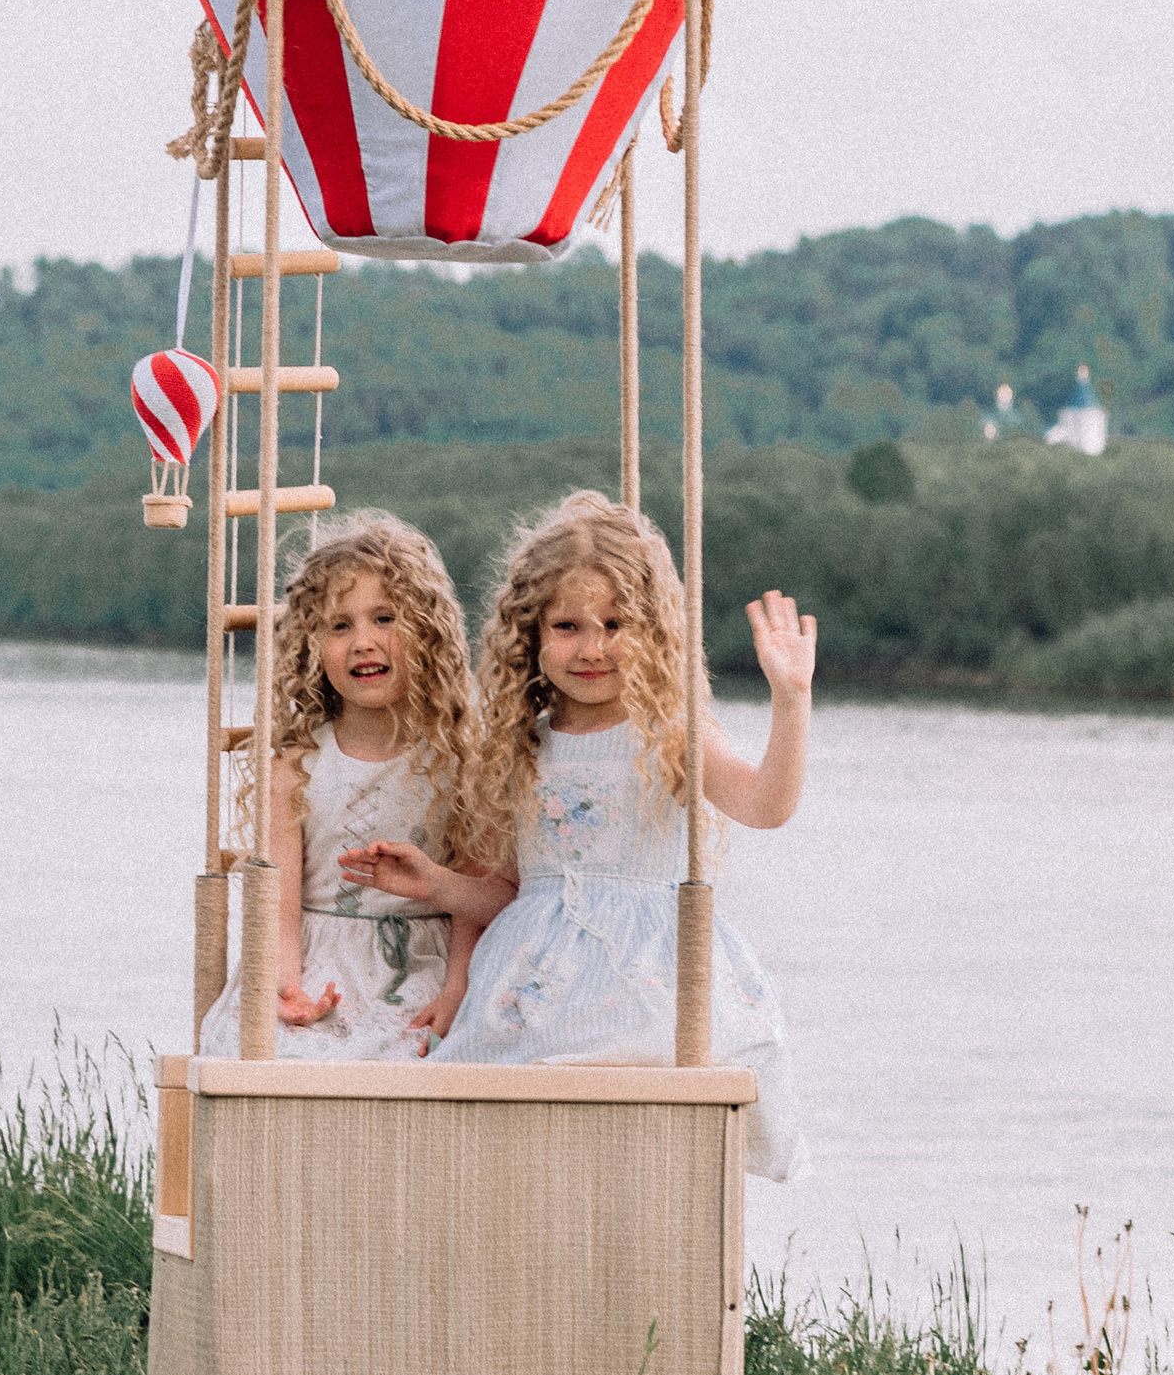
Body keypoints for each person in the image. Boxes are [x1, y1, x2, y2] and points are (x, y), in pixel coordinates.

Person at [343, 490, 812, 1177]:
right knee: (527, 1141)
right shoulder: (520, 749)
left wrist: (790, 700)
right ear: (530, 635)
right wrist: (436, 884)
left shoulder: (672, 737)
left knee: (637, 1125)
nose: (592, 648)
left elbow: (767, 805)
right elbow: (510, 895)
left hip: (646, 981)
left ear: (653, 631)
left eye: (615, 623)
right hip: (533, 981)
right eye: (567, 626)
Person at [196, 513, 492, 1060]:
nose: (363, 643)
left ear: (428, 632)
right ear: (312, 645)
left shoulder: (460, 763)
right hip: (318, 962)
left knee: (431, 1057)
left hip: (430, 967)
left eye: (384, 618)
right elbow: (280, 907)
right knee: (279, 1053)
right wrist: (287, 989)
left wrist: (458, 990)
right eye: (339, 626)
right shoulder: (298, 765)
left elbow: (470, 898)